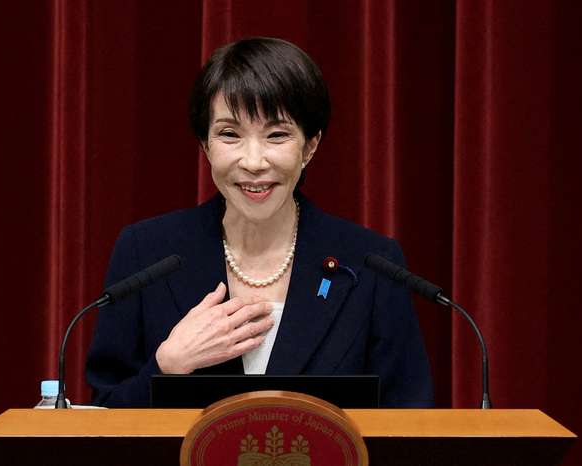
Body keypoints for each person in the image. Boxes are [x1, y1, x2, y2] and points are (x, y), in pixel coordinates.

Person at [85, 37, 433, 407]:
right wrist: (166, 365)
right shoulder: (147, 252)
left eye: (276, 135)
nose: (253, 162)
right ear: (205, 145)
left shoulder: (370, 262)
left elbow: (409, 419)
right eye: (230, 134)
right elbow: (102, 415)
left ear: (310, 146)